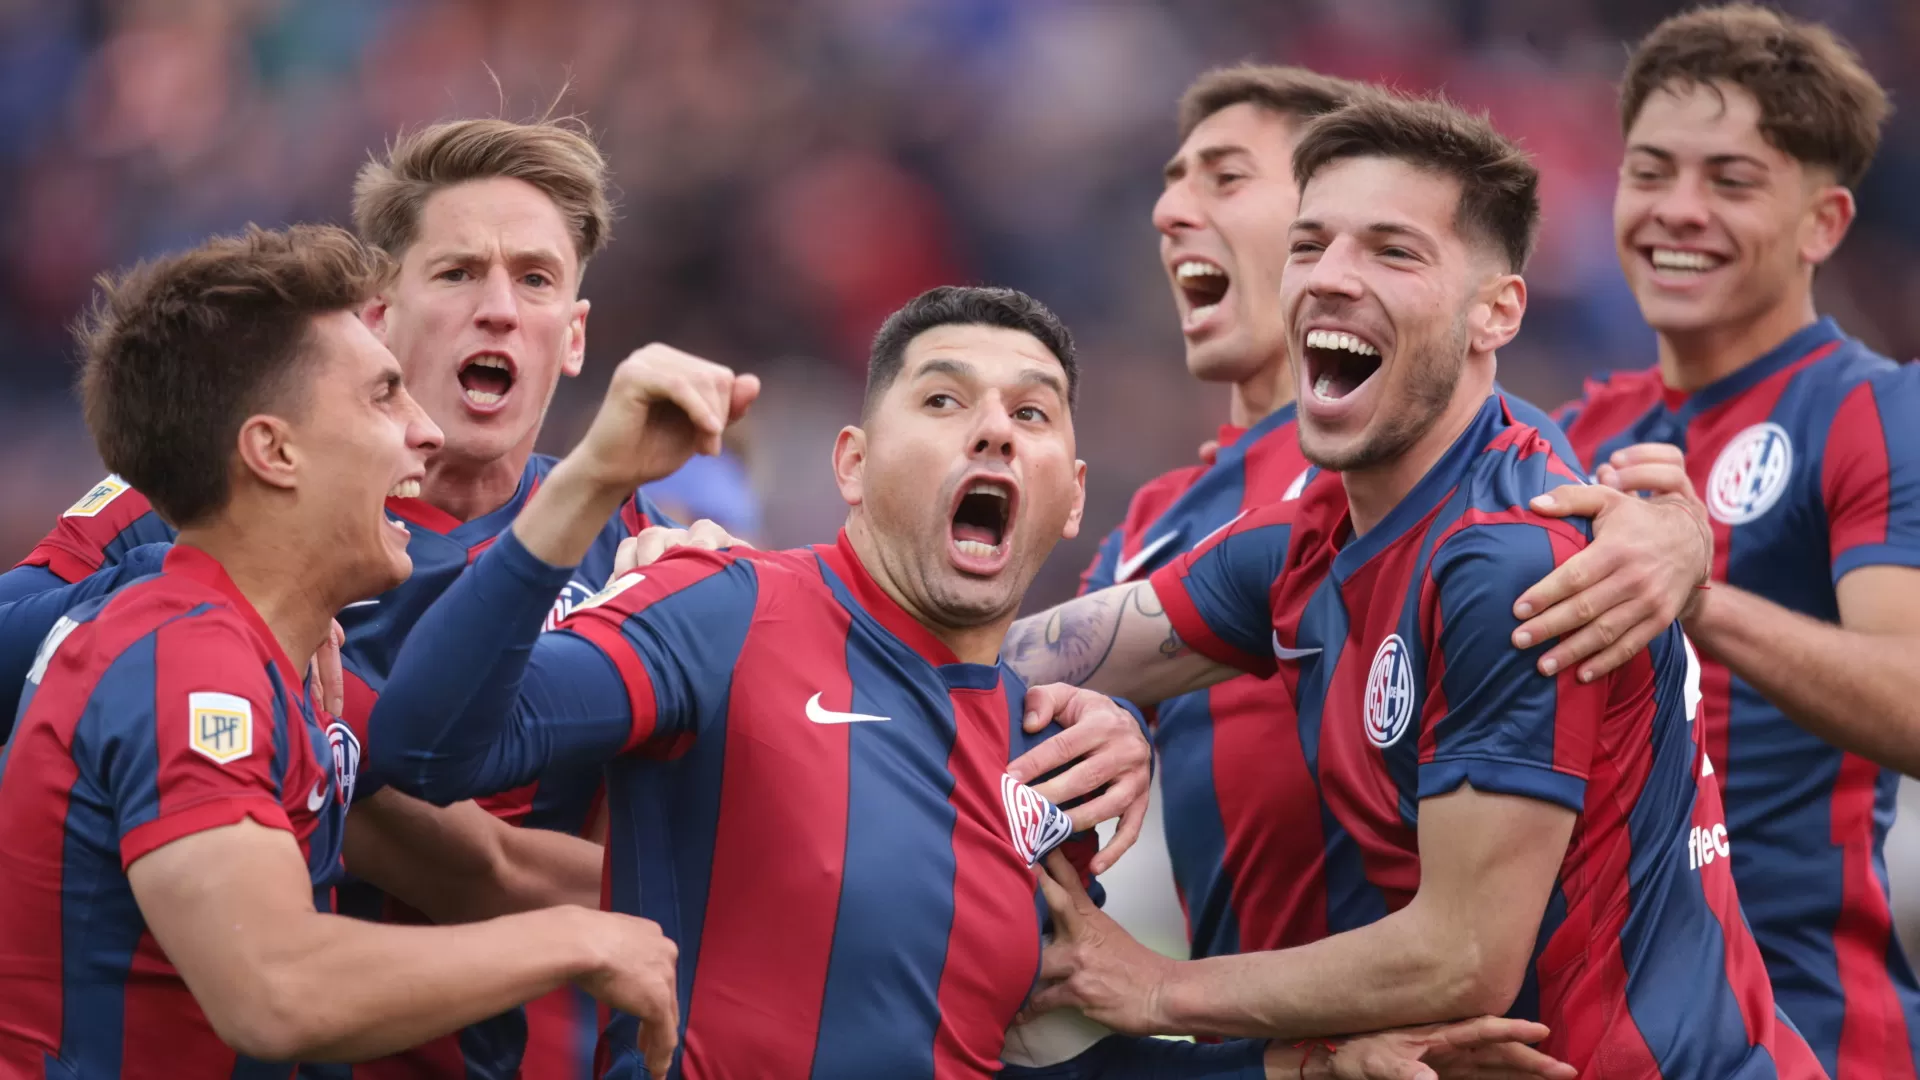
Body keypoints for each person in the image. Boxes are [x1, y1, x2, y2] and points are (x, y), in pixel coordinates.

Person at [0, 116, 1166, 1080]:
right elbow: (369, 897)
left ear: (574, 338)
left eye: (536, 280)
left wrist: (1058, 711)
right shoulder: (192, 520)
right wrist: (227, 619)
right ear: (380, 319)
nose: (498, 309)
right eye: (457, 273)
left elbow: (830, 730)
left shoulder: (657, 553)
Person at [365, 284, 1573, 1080]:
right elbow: (426, 749)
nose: (993, 429)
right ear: (852, 463)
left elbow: (1019, 1059)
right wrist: (588, 483)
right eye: (943, 400)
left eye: (1031, 413)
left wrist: (1303, 1066)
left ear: (1074, 494)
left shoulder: (1052, 758)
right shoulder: (724, 608)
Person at [1002, 93, 1822, 1078]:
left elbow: (1463, 954)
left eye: (1393, 252)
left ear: (1496, 312)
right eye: (1311, 246)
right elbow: (1022, 660)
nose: (1330, 277)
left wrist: (1151, 987)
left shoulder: (1514, 565)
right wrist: (1098, 710)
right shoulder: (1306, 538)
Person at [1070, 63, 1714, 972]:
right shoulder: (1164, 520)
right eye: (1172, 182)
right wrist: (1110, 719)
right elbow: (1025, 686)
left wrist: (1685, 543)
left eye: (1226, 177)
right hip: (1269, 1028)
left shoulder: (1463, 473)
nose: (1170, 211)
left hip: (1420, 1009)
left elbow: (1561, 515)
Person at [0, 224, 682, 1078]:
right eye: (384, 396)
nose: (424, 431)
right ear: (274, 451)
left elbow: (481, 865)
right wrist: (573, 941)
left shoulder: (262, 658)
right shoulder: (188, 663)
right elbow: (276, 990)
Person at [1542, 8, 1920, 1076]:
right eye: (1650, 171)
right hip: (1597, 1036)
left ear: (1823, 223)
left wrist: (1695, 592)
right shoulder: (1571, 434)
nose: (1678, 209)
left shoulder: (1877, 412)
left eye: (1732, 180)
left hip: (1809, 1027)